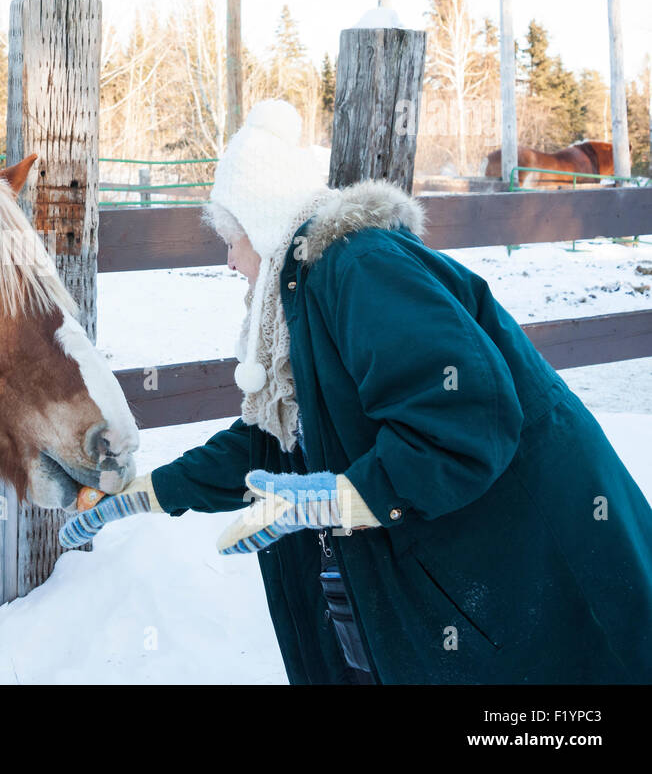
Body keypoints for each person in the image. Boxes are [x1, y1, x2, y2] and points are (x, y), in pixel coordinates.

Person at [61, 99, 652, 684]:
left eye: (232, 238)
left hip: (538, 543)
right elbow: (273, 444)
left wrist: (340, 498)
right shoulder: (309, 294)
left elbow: (463, 418)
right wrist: (149, 492)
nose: (229, 259)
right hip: (484, 564)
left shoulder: (360, 267)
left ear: (264, 229)